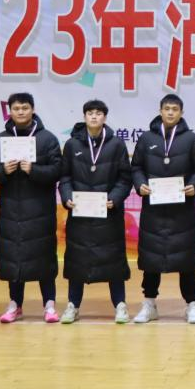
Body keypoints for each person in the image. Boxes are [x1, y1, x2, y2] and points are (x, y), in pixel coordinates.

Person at [0, 92, 63, 324]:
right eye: (16, 108)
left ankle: (49, 305)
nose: (20, 112)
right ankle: (14, 305)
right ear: (9, 111)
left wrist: (34, 170)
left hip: (40, 211)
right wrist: (3, 170)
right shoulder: (0, 140)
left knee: (44, 258)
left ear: (33, 109)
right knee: (14, 259)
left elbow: (58, 170)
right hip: (11, 212)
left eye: (25, 108)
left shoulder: (47, 139)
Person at [131, 94, 195, 325]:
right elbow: (136, 167)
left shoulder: (191, 138)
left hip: (181, 210)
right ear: (160, 111)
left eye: (175, 109)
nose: (171, 112)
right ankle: (149, 304)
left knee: (186, 259)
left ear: (181, 112)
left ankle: (191, 305)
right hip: (153, 209)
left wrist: (194, 185)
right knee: (151, 259)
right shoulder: (146, 138)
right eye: (167, 108)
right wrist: (140, 184)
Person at [58, 100, 133, 324]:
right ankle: (73, 305)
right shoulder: (72, 144)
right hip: (80, 214)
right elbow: (65, 177)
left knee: (114, 261)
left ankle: (120, 305)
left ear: (104, 118)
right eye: (90, 113)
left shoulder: (116, 144)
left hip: (108, 214)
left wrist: (115, 198)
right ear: (84, 117)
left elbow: (125, 178)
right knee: (77, 260)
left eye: (98, 113)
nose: (94, 116)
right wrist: (67, 197)